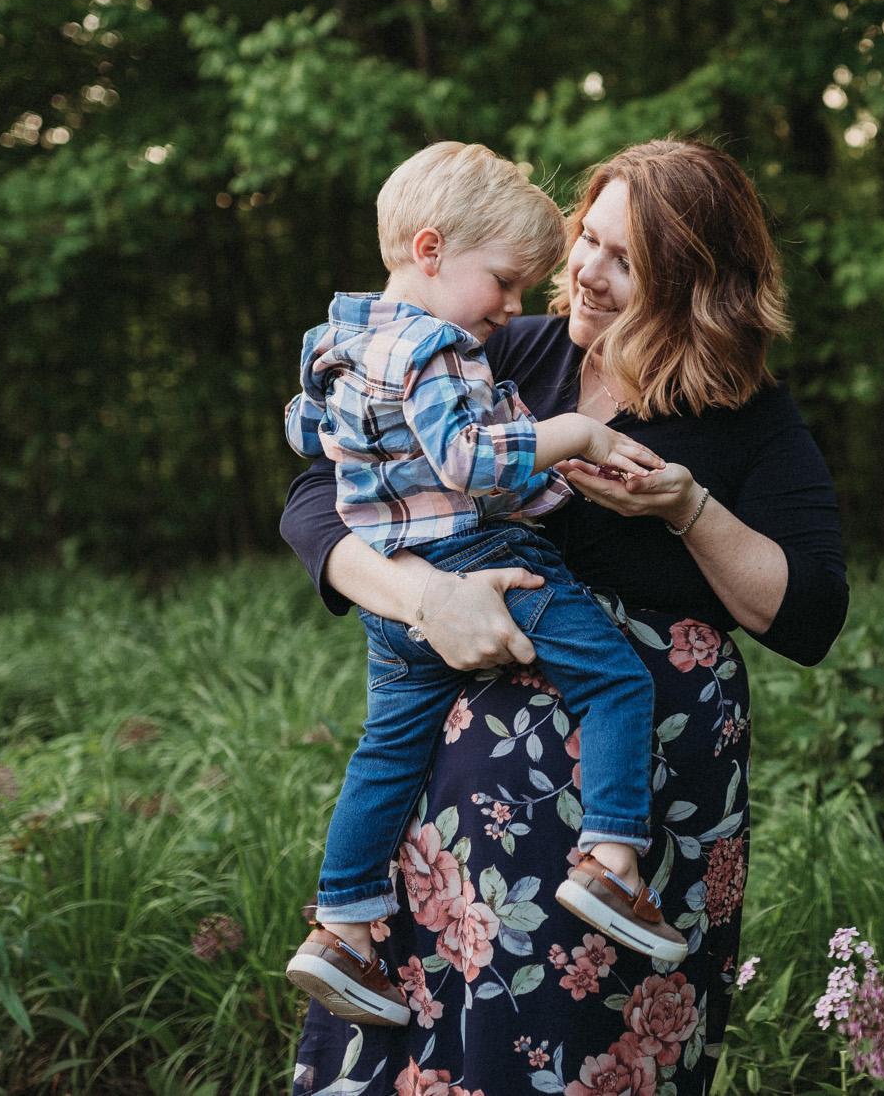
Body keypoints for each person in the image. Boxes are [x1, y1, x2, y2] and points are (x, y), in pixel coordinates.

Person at [283, 139, 847, 1096]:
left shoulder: (745, 420)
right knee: (433, 1040)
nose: (582, 269)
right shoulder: (498, 346)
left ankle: (611, 874)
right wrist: (428, 597)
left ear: (695, 289)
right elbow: (316, 495)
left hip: (640, 800)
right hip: (460, 806)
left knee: (579, 1053)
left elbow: (810, 613)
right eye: (587, 237)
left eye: (624, 259)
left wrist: (689, 510)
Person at [280, 142, 691, 1031]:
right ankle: (613, 864)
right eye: (504, 282)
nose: (514, 306)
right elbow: (469, 458)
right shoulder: (438, 349)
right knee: (619, 681)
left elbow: (307, 435)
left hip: (395, 599)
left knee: (385, 752)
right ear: (429, 250)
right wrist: (573, 432)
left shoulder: (338, 336)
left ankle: (342, 925)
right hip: (479, 561)